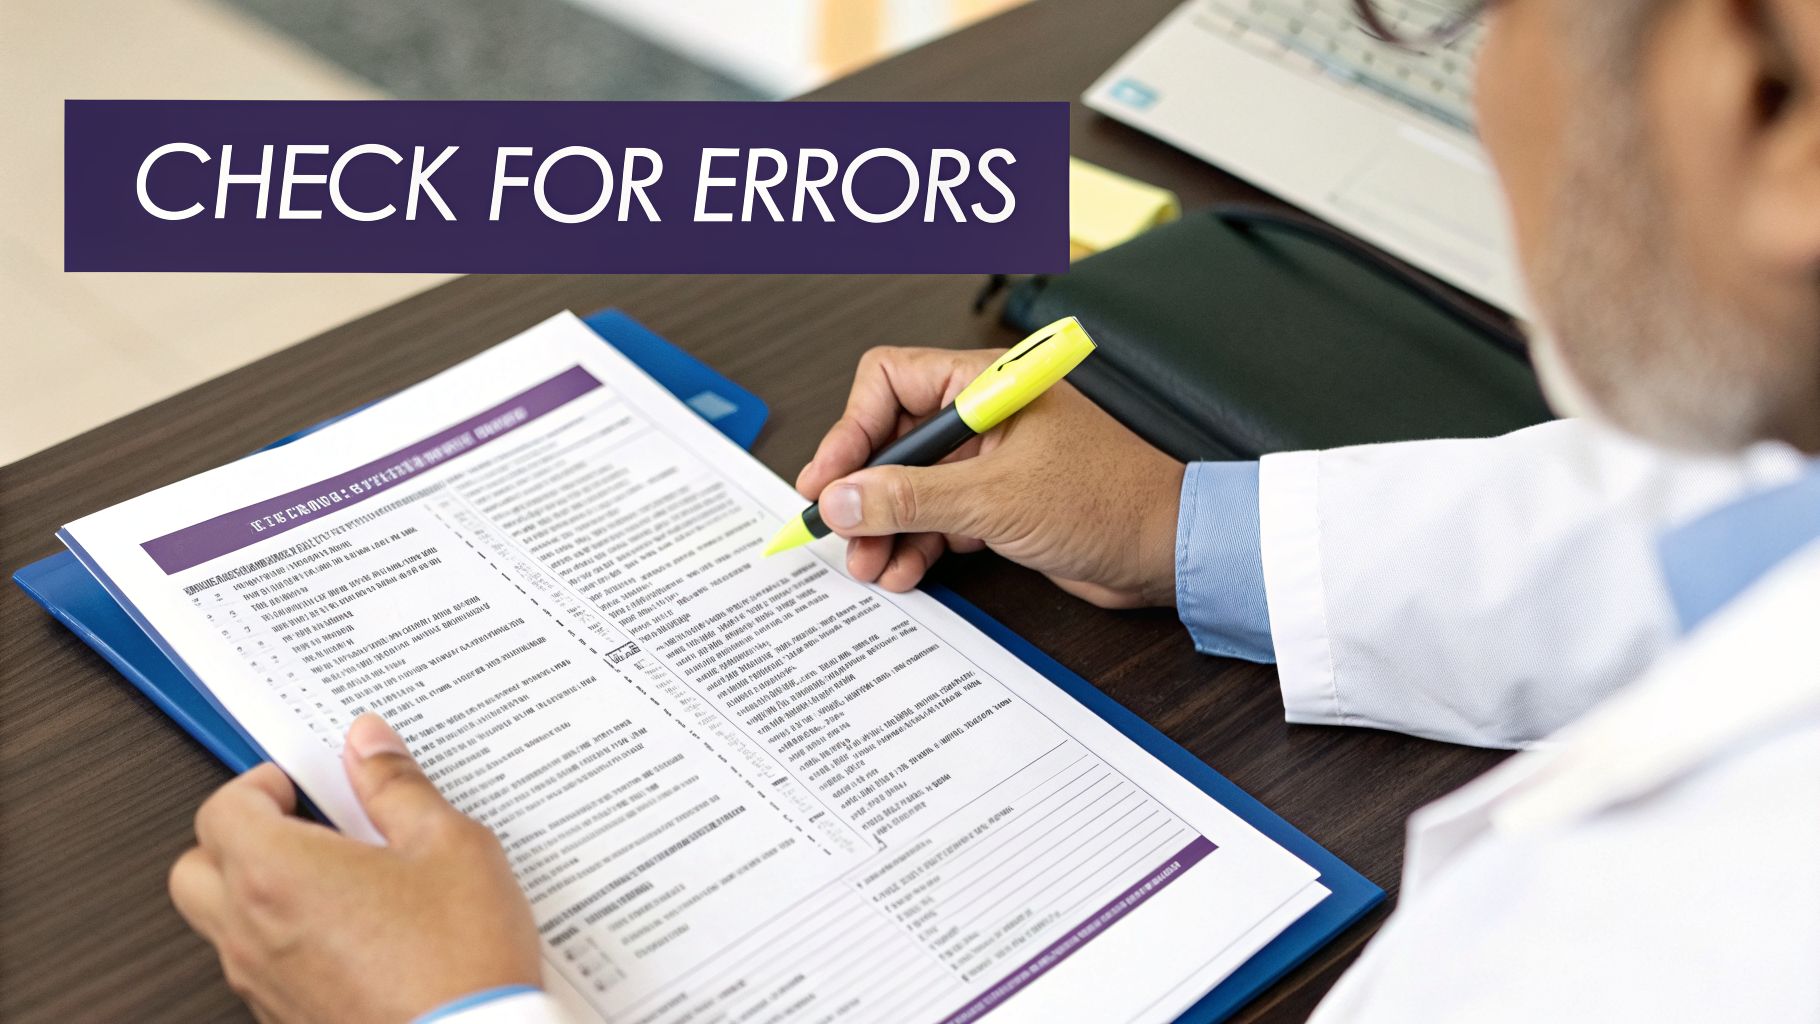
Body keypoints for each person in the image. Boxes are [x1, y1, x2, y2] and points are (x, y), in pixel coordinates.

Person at [167, 0, 1820, 1020]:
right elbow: (1712, 539)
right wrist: (1185, 524)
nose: (1481, 95)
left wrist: (460, 1019)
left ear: (1764, 102)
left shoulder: (1701, 939)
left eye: (1474, 16)